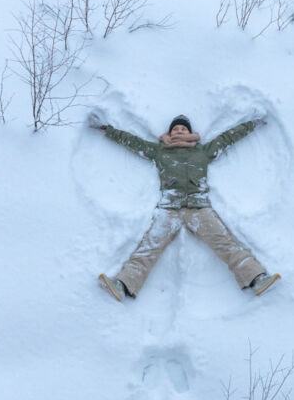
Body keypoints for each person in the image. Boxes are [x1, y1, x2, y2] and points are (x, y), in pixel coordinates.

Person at [88, 112, 280, 301]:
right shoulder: (159, 150)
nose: (179, 131)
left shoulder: (202, 151)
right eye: (175, 128)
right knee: (149, 248)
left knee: (225, 243)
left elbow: (228, 137)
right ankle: (123, 284)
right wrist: (107, 130)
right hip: (169, 209)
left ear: (190, 132)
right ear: (170, 133)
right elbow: (132, 142)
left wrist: (251, 124)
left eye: (183, 128)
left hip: (199, 208)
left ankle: (257, 278)